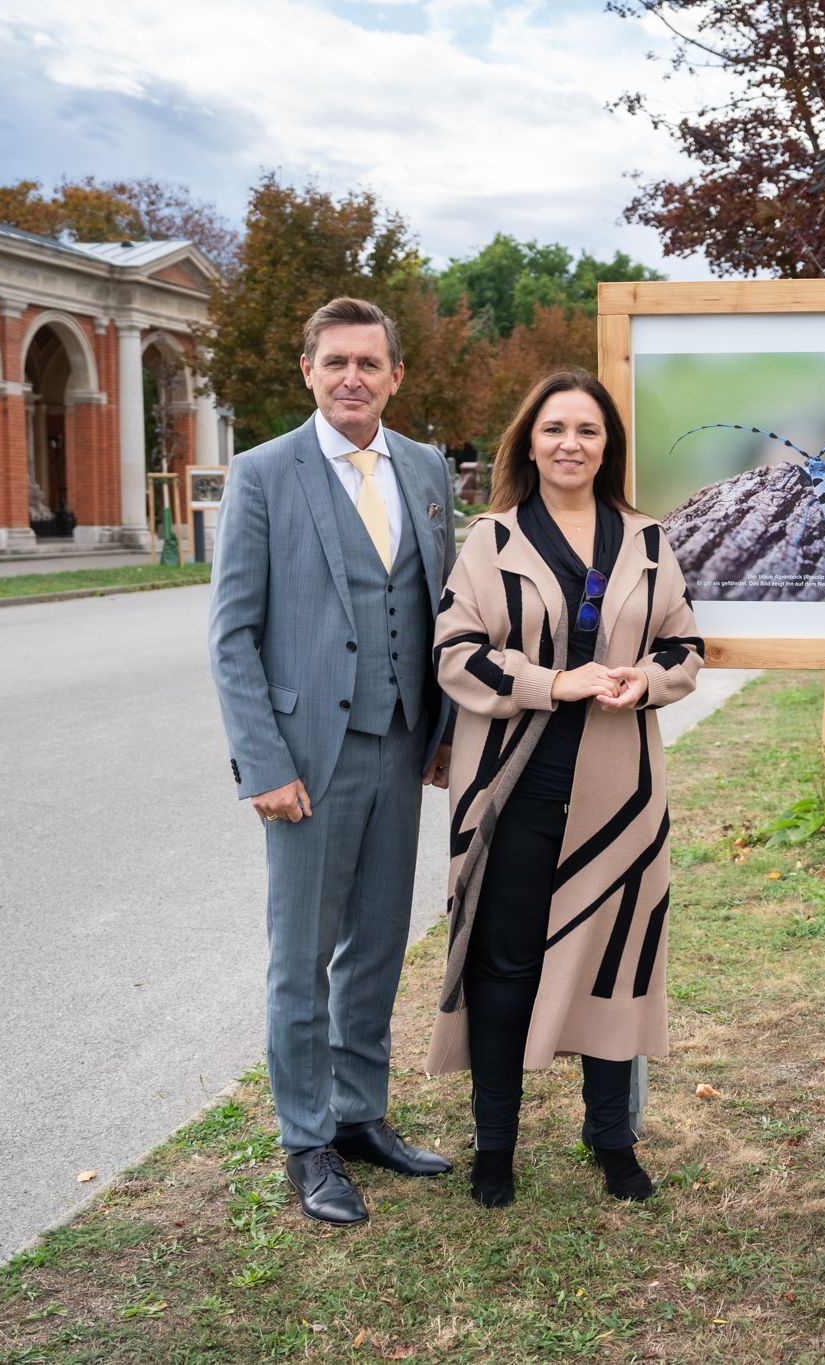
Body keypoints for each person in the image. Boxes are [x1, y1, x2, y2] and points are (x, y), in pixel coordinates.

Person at [209, 297, 458, 1226]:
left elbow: (439, 609)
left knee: (379, 945)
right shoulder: (264, 473)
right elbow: (232, 634)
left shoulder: (428, 470)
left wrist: (439, 734)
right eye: (336, 362)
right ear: (307, 372)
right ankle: (307, 1139)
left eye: (370, 362)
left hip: (400, 749)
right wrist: (262, 763)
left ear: (396, 375)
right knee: (302, 957)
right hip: (306, 758)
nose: (353, 376)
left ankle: (361, 1116)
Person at [429, 369, 704, 1209]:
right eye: (554, 429)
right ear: (530, 441)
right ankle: (495, 1147)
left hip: (620, 785)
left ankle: (612, 1138)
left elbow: (687, 647)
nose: (570, 444)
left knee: (614, 958)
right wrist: (558, 683)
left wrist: (642, 681)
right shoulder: (493, 539)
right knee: (505, 964)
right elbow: (456, 652)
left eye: (587, 430)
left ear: (607, 445)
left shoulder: (651, 541)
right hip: (512, 781)